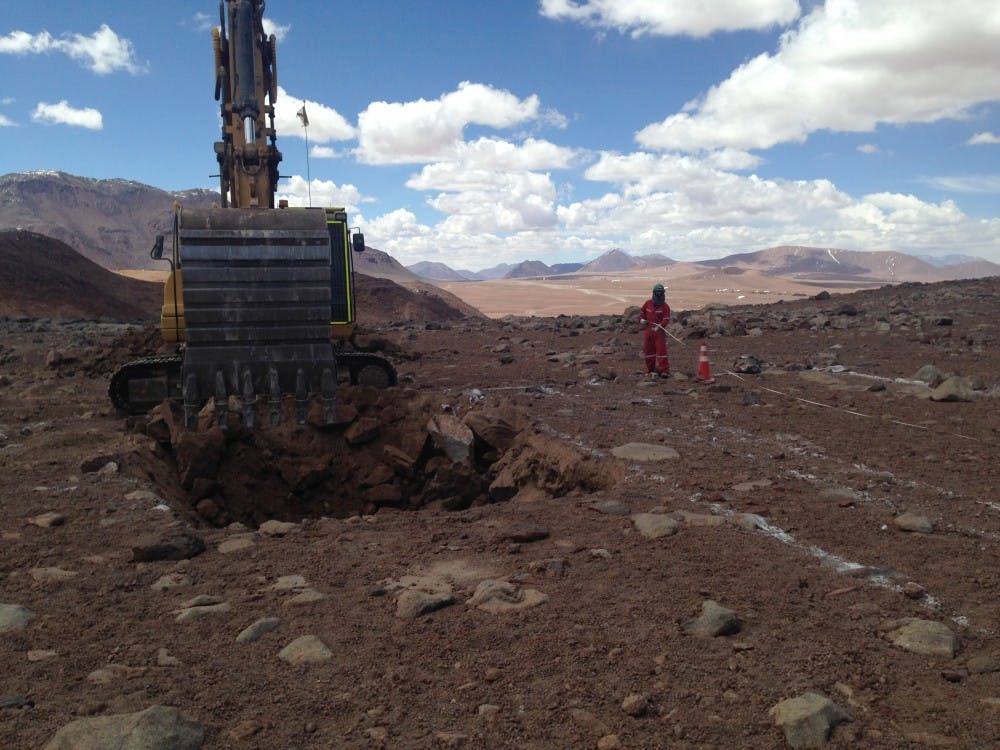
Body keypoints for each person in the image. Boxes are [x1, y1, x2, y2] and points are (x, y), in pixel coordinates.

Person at [639, 283, 671, 377]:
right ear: (653, 293)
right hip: (648, 331)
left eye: (661, 293)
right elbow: (642, 313)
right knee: (648, 351)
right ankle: (650, 370)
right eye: (657, 293)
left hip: (659, 332)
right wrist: (642, 320)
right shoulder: (647, 303)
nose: (659, 295)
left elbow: (666, 319)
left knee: (661, 351)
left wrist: (660, 326)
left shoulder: (665, 307)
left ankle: (664, 370)